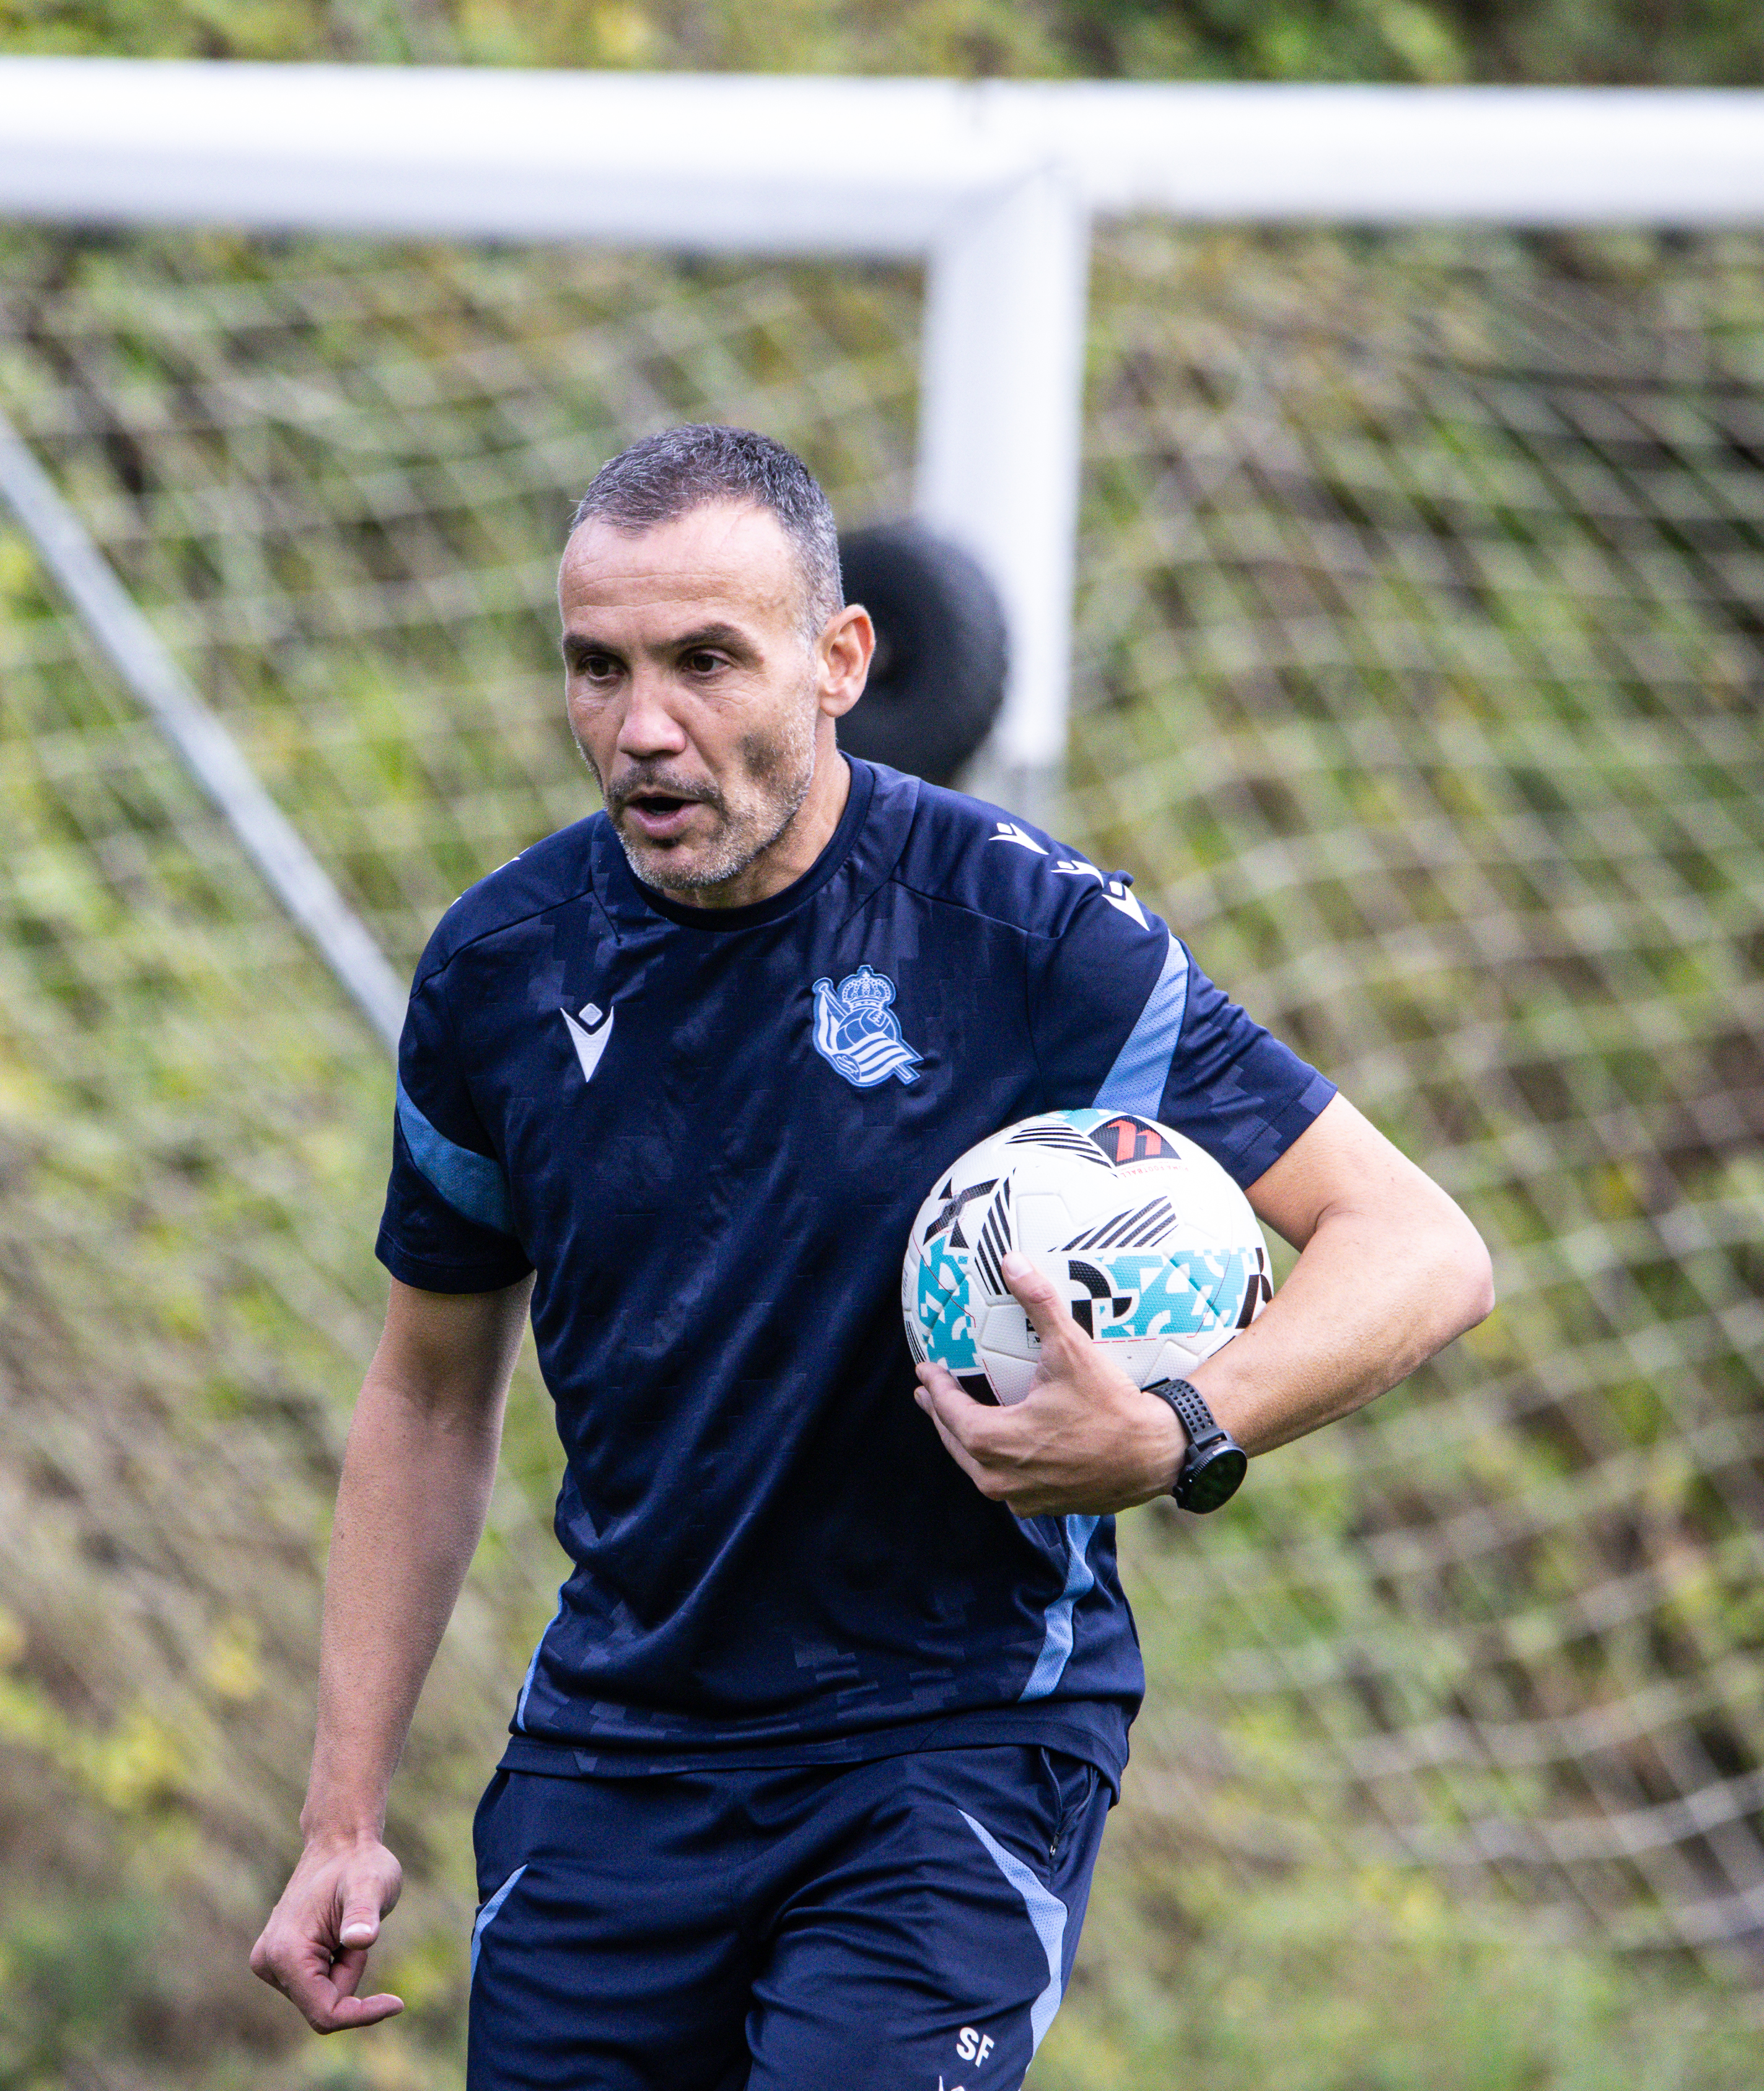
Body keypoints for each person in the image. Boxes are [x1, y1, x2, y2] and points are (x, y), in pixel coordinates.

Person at [247, 424, 1494, 2087]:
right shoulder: (499, 975)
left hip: (951, 1740)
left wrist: (1179, 1426)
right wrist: (341, 1811)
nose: (643, 728)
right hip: (620, 1752)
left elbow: (1417, 1244)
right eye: (597, 669)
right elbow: (422, 1396)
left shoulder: (1025, 935)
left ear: (842, 662)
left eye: (705, 662)